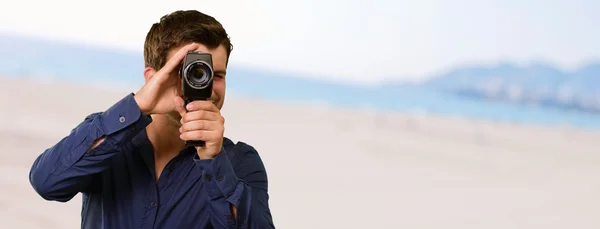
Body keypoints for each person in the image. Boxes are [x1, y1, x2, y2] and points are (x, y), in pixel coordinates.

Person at [28, 10, 275, 229]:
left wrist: (213, 160)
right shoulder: (107, 138)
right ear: (152, 77)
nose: (206, 86)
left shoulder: (240, 162)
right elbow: (46, 182)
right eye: (187, 71)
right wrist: (137, 106)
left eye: (215, 74)